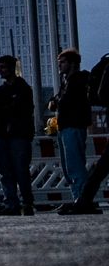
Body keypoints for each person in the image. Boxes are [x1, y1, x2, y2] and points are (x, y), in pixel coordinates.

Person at [0, 55, 36, 215]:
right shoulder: (5, 91)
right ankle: (16, 203)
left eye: (3, 67)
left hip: (17, 134)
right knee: (7, 170)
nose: (0, 70)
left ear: (12, 68)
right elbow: (13, 110)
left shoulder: (22, 89)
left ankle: (22, 202)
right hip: (5, 135)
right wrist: (7, 109)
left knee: (19, 170)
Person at [52, 48, 93, 211]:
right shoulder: (66, 81)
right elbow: (57, 99)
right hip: (66, 125)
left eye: (62, 63)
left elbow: (64, 100)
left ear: (73, 63)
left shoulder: (78, 80)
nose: (60, 66)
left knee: (75, 164)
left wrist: (57, 101)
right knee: (70, 165)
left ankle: (82, 199)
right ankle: (78, 197)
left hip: (73, 125)